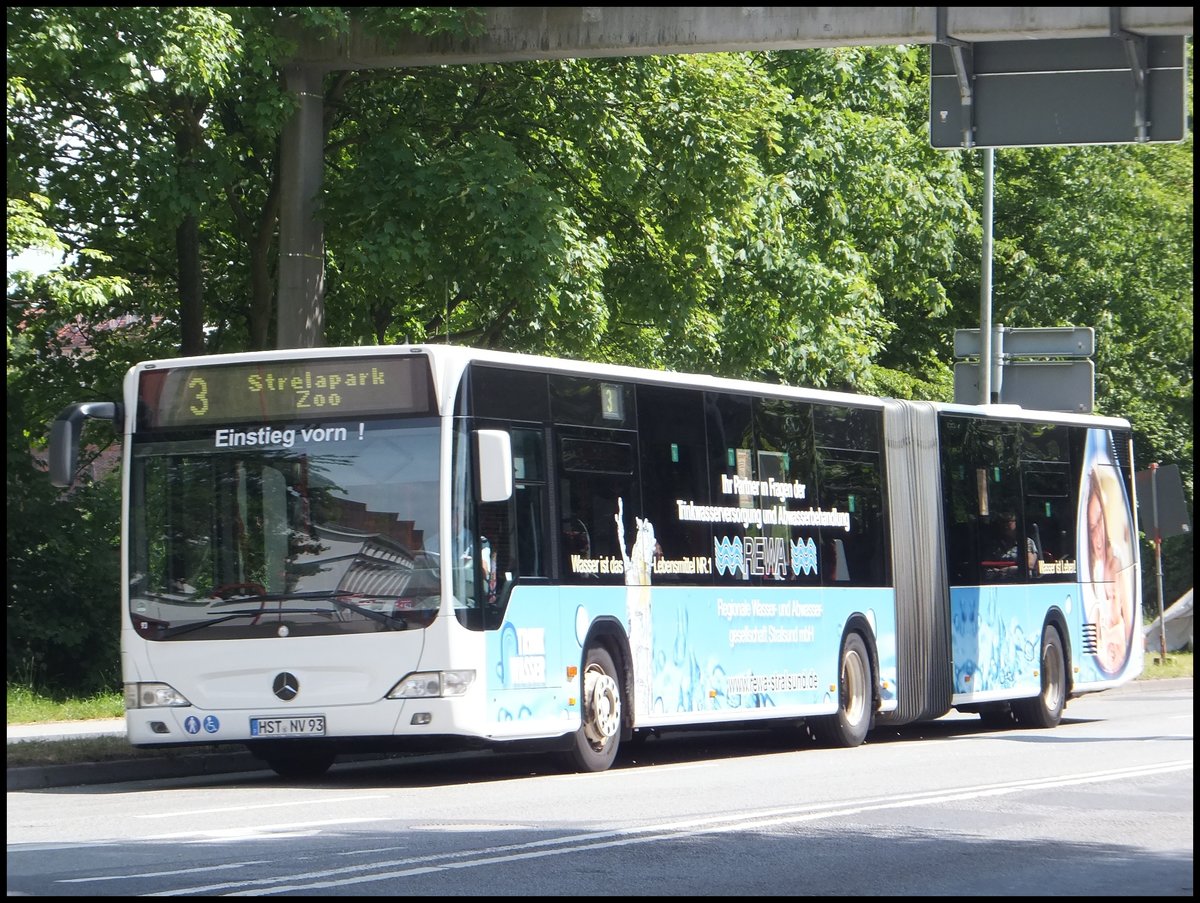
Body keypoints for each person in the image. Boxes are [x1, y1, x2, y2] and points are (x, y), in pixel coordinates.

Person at [984, 512, 1037, 579]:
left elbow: (1030, 565)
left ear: (1016, 523)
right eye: (1002, 522)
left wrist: (1008, 570)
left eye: (1008, 521)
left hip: (1020, 579)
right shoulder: (995, 543)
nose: (1004, 525)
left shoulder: (1026, 542)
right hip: (998, 578)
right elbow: (987, 564)